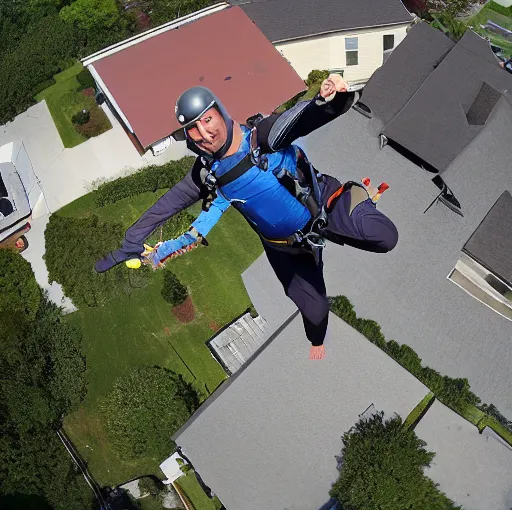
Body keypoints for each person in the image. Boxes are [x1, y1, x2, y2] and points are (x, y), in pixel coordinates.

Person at [95, 74, 398, 360]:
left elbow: (301, 118)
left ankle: (358, 198)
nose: (205, 135)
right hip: (285, 247)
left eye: (207, 121)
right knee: (316, 313)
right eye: (194, 130)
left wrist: (330, 98)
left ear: (220, 113)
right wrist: (131, 241)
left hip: (326, 205)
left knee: (384, 236)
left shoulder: (262, 138)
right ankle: (317, 342)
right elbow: (164, 207)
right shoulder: (207, 175)